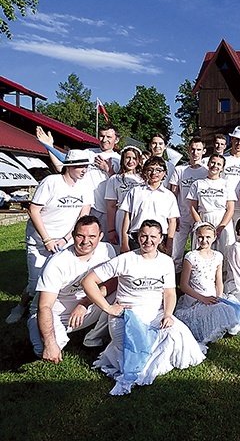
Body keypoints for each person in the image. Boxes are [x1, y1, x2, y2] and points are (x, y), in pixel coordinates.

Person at [81, 219, 206, 396]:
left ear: (161, 238)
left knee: (180, 334)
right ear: (138, 237)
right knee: (137, 352)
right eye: (144, 236)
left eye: (153, 237)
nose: (148, 241)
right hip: (127, 314)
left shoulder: (166, 262)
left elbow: (170, 293)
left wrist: (168, 315)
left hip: (156, 314)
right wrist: (108, 308)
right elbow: (88, 281)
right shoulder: (125, 259)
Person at [6, 150, 94, 324]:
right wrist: (47, 239)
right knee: (35, 283)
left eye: (86, 166)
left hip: (65, 241)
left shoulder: (85, 185)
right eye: (80, 166)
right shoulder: (51, 182)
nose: (84, 170)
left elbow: (83, 216)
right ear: (68, 167)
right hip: (39, 241)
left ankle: (41, 314)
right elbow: (33, 210)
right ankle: (21, 306)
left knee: (56, 282)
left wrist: (66, 238)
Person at [27, 216, 117, 361]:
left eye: (92, 236)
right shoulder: (57, 263)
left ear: (100, 236)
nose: (86, 241)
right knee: (43, 351)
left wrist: (84, 303)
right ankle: (38, 326)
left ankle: (94, 337)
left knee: (122, 295)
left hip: (87, 306)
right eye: (80, 236)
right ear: (73, 236)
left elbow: (113, 282)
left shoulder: (107, 250)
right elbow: (44, 306)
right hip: (57, 314)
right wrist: (50, 343)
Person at [174, 222, 240, 343]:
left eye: (208, 237)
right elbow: (183, 285)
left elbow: (219, 282)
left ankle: (222, 324)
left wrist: (219, 297)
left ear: (214, 237)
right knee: (213, 314)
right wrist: (203, 298)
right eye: (201, 237)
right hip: (196, 297)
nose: (204, 240)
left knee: (227, 310)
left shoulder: (217, 256)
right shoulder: (191, 256)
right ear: (196, 237)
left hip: (213, 295)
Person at [36, 124, 121, 236]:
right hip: (81, 207)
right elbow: (61, 167)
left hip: (106, 211)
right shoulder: (87, 153)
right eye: (101, 136)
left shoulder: (119, 159)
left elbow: (121, 186)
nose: (104, 140)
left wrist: (108, 169)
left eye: (109, 137)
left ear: (117, 139)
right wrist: (49, 147)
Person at [119, 157, 179, 255]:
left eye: (158, 170)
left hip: (159, 240)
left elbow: (172, 222)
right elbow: (127, 217)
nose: (154, 173)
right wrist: (124, 242)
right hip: (136, 238)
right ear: (145, 171)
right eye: (150, 169)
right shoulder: (135, 191)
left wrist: (169, 245)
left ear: (164, 173)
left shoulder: (169, 196)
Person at [169, 137, 208, 272]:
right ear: (188, 150)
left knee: (198, 251)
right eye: (192, 149)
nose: (195, 152)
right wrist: (174, 216)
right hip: (182, 216)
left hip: (200, 216)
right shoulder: (179, 170)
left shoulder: (207, 170)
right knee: (176, 252)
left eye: (198, 150)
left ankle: (195, 280)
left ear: (204, 151)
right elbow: (173, 194)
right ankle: (173, 282)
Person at [188, 154, 235, 255]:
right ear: (208, 164)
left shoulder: (226, 184)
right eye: (213, 162)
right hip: (204, 219)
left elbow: (230, 209)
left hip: (222, 221)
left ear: (222, 168)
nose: (215, 166)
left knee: (224, 252)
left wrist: (220, 228)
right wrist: (201, 225)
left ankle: (224, 271)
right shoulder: (197, 184)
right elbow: (193, 207)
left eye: (219, 164)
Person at [105, 146, 144, 252]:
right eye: (128, 158)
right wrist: (111, 230)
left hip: (139, 217)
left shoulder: (143, 179)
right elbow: (111, 206)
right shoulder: (114, 179)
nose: (131, 161)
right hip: (121, 217)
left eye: (134, 158)